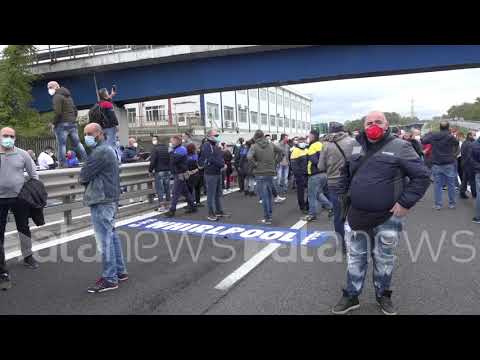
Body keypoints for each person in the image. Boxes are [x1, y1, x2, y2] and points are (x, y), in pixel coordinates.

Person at [332, 112, 430, 315]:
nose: (373, 125)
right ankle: (351, 295)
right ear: (364, 125)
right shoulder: (357, 145)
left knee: (384, 259)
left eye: (378, 122)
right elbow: (346, 173)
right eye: (369, 123)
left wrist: (405, 203)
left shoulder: (401, 147)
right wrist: (342, 196)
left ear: (387, 125)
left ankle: (383, 295)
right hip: (357, 215)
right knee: (356, 258)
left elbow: (422, 176)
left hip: (388, 218)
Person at [79, 123, 128, 293]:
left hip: (101, 198)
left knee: (104, 239)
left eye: (89, 134)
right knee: (111, 236)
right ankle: (120, 272)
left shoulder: (100, 152)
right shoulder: (110, 148)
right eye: (85, 134)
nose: (86, 137)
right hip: (110, 196)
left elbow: (83, 176)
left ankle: (110, 278)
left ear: (99, 134)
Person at [0, 127, 41, 290]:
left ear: (15, 138)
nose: (8, 138)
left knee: (23, 228)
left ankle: (28, 256)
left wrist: (32, 191)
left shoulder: (22, 154)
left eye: (11, 136)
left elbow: (34, 174)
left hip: (19, 197)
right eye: (5, 136)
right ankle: (2, 269)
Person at [318, 122, 357, 252]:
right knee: (354, 212)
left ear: (330, 131)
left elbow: (321, 167)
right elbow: (360, 159)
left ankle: (344, 244)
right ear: (343, 130)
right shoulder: (353, 141)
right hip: (352, 182)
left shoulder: (326, 145)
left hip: (334, 183)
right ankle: (356, 241)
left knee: (339, 215)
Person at [47, 81, 88, 167]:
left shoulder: (57, 97)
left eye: (50, 87)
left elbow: (58, 112)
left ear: (56, 87)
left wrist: (53, 123)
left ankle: (63, 164)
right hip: (72, 123)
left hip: (62, 124)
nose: (49, 89)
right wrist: (72, 119)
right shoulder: (69, 97)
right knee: (78, 143)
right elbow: (75, 111)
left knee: (62, 145)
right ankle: (86, 161)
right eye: (48, 88)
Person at [247, 130, 283, 225]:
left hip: (260, 173)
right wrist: (276, 162)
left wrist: (255, 164)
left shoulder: (254, 146)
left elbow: (249, 157)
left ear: (255, 137)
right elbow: (281, 151)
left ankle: (267, 218)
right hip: (270, 172)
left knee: (264, 196)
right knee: (269, 195)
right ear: (263, 136)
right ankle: (269, 215)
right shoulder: (271, 144)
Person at [421, 121, 459, 210]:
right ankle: (452, 203)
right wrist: (453, 154)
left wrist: (429, 133)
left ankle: (438, 204)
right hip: (448, 163)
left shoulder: (434, 135)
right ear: (448, 127)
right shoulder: (450, 137)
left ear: (440, 127)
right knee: (451, 185)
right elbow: (456, 144)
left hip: (436, 163)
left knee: (437, 185)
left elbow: (423, 141)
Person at [303, 129, 333, 222]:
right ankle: (331, 207)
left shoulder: (312, 146)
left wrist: (319, 167)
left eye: (309, 135)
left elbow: (314, 160)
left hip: (315, 174)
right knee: (318, 193)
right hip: (324, 174)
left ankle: (312, 214)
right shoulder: (322, 144)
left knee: (311, 195)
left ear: (313, 136)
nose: (308, 137)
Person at [163, 135, 197, 218]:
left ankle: (172, 210)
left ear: (177, 141)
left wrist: (170, 152)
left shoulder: (181, 150)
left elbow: (173, 161)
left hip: (180, 174)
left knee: (175, 192)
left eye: (172, 141)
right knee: (185, 192)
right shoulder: (177, 149)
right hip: (178, 173)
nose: (171, 143)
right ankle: (192, 206)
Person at [198, 129, 228, 221]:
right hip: (210, 173)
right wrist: (222, 165)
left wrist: (222, 164)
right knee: (211, 194)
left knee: (217, 193)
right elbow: (211, 159)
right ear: (209, 136)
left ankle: (219, 211)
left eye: (217, 135)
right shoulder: (206, 146)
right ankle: (210, 213)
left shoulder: (215, 146)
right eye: (216, 135)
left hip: (217, 172)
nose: (217, 137)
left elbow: (219, 157)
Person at [149, 136, 171, 211]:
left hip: (159, 171)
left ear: (157, 141)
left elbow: (153, 161)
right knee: (167, 188)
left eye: (154, 140)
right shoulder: (167, 148)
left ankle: (161, 206)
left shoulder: (155, 149)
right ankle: (168, 205)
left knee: (160, 189)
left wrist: (150, 170)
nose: (153, 141)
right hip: (168, 170)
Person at [290, 136, 309, 214]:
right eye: (300, 142)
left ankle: (308, 205)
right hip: (300, 175)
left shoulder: (306, 150)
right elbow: (294, 166)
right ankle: (302, 206)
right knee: (300, 191)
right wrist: (299, 175)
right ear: (297, 142)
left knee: (310, 191)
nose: (302, 143)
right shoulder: (295, 151)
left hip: (308, 173)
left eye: (303, 141)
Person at [460, 132, 477, 199]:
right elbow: (470, 156)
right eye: (474, 135)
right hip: (470, 165)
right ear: (470, 135)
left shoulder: (464, 143)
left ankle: (462, 192)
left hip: (464, 164)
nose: (475, 136)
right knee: (472, 180)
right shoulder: (471, 144)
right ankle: (474, 194)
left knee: (465, 179)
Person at [186, 143, 203, 208]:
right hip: (196, 174)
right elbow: (199, 166)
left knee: (189, 190)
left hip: (188, 174)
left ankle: (190, 203)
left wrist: (189, 171)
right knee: (197, 189)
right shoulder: (196, 156)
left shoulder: (185, 156)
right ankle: (198, 202)